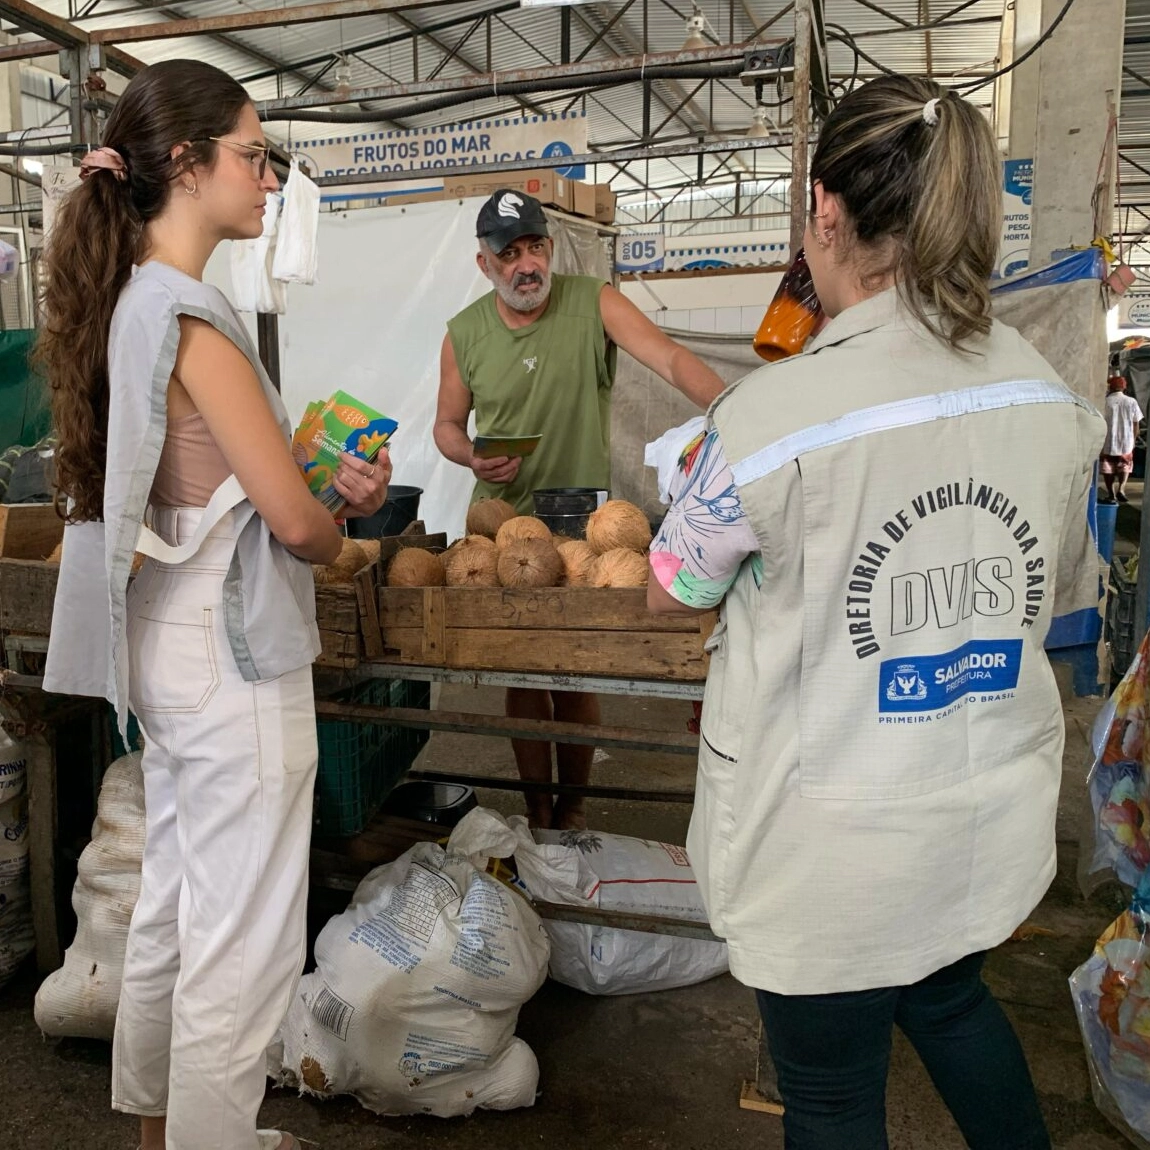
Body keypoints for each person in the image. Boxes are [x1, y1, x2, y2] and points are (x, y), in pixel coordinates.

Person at [647, 76, 1103, 1150]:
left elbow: (678, 585)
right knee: (950, 1003)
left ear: (822, 211)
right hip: (975, 811)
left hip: (829, 841)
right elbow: (1053, 581)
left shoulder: (767, 417)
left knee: (834, 1092)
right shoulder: (1048, 397)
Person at [37, 60, 389, 1150]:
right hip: (231, 656)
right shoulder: (194, 314)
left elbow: (203, 480)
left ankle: (158, 1134)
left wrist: (300, 491)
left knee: (176, 910)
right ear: (184, 165)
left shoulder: (125, 300)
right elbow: (292, 522)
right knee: (243, 945)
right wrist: (343, 521)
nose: (268, 177)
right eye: (251, 153)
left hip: (162, 640)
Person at [435, 188, 724, 829]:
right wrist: (472, 457)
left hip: (584, 525)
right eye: (509, 254)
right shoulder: (464, 334)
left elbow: (670, 357)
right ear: (485, 264)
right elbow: (446, 426)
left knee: (576, 671)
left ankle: (572, 808)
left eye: (535, 246)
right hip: (502, 526)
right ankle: (539, 811)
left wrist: (733, 407)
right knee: (524, 674)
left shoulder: (593, 303)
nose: (526, 264)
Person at [1100, 372, 1143, 503]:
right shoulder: (1131, 402)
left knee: (1108, 468)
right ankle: (1122, 489)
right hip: (1126, 441)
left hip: (1108, 442)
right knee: (1125, 466)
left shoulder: (1105, 402)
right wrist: (1134, 439)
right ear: (1124, 387)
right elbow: (1136, 423)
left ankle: (1111, 494)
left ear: (1110, 387)